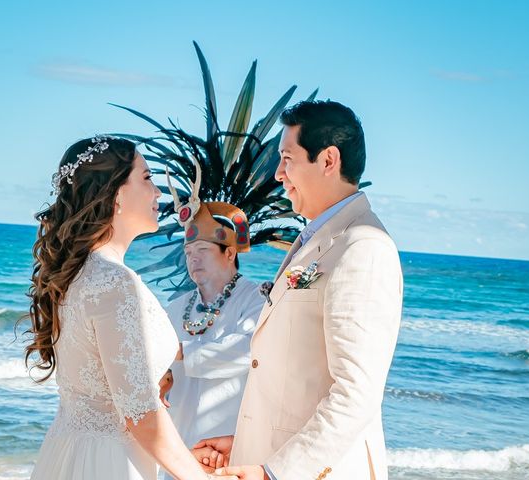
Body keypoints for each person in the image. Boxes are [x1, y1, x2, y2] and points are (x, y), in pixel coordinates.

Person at [194, 100, 403, 479]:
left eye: (287, 158)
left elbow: (356, 393)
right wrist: (247, 442)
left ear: (328, 160)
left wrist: (275, 472)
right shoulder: (318, 238)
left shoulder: (363, 247)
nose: (277, 174)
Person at [23, 135, 234, 480]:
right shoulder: (114, 282)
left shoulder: (79, 273)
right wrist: (198, 477)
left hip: (72, 450)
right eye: (148, 179)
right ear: (118, 194)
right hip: (109, 464)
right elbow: (140, 414)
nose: (159, 193)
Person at [161, 168, 264, 472]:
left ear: (230, 252)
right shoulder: (175, 307)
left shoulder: (256, 298)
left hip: (226, 447)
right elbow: (160, 367)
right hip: (178, 446)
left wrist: (180, 351)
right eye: (189, 252)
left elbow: (249, 351)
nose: (193, 259)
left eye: (202, 251)